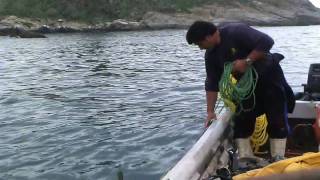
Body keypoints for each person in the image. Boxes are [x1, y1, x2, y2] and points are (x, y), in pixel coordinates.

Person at [186, 21, 295, 161]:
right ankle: (245, 158)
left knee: (276, 119)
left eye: (199, 44)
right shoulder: (211, 55)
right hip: (246, 88)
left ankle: (277, 158)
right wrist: (210, 111)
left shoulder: (235, 31)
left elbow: (267, 41)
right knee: (241, 120)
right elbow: (212, 83)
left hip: (269, 78)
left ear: (207, 37)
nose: (200, 48)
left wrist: (247, 61)